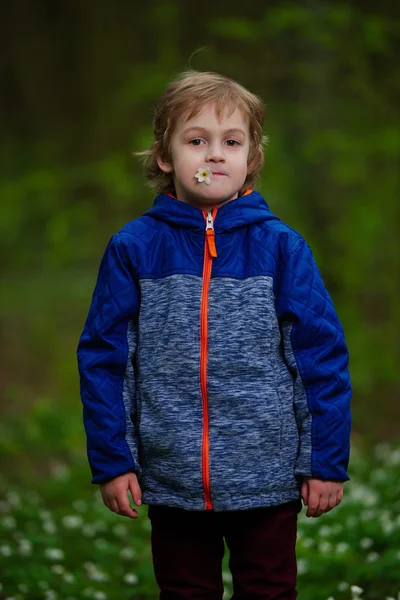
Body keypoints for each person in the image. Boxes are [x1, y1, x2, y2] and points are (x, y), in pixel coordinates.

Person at [77, 70, 352, 599]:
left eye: (232, 142)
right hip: (172, 479)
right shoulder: (133, 248)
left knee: (269, 590)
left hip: (267, 479)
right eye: (196, 141)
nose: (214, 156)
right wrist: (113, 459)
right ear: (165, 156)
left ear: (252, 159)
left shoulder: (282, 247)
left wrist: (323, 461)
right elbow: (105, 359)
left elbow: (320, 357)